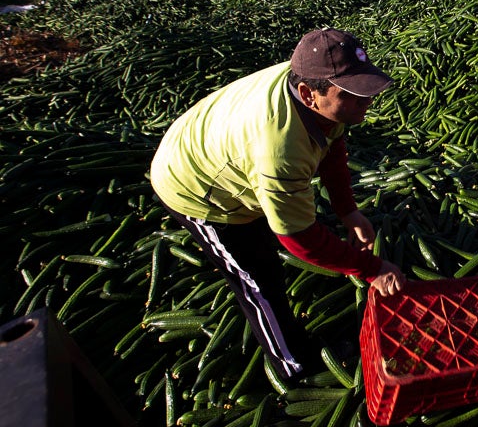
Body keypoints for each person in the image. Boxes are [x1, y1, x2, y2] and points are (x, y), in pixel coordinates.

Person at [150, 28, 406, 384]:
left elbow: (332, 143)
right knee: (258, 278)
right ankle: (293, 366)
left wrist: (348, 211)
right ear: (308, 94)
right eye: (353, 95)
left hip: (215, 140)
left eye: (367, 91)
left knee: (269, 242)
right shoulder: (280, 148)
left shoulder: (313, 84)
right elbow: (298, 238)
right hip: (196, 184)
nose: (368, 102)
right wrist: (371, 268)